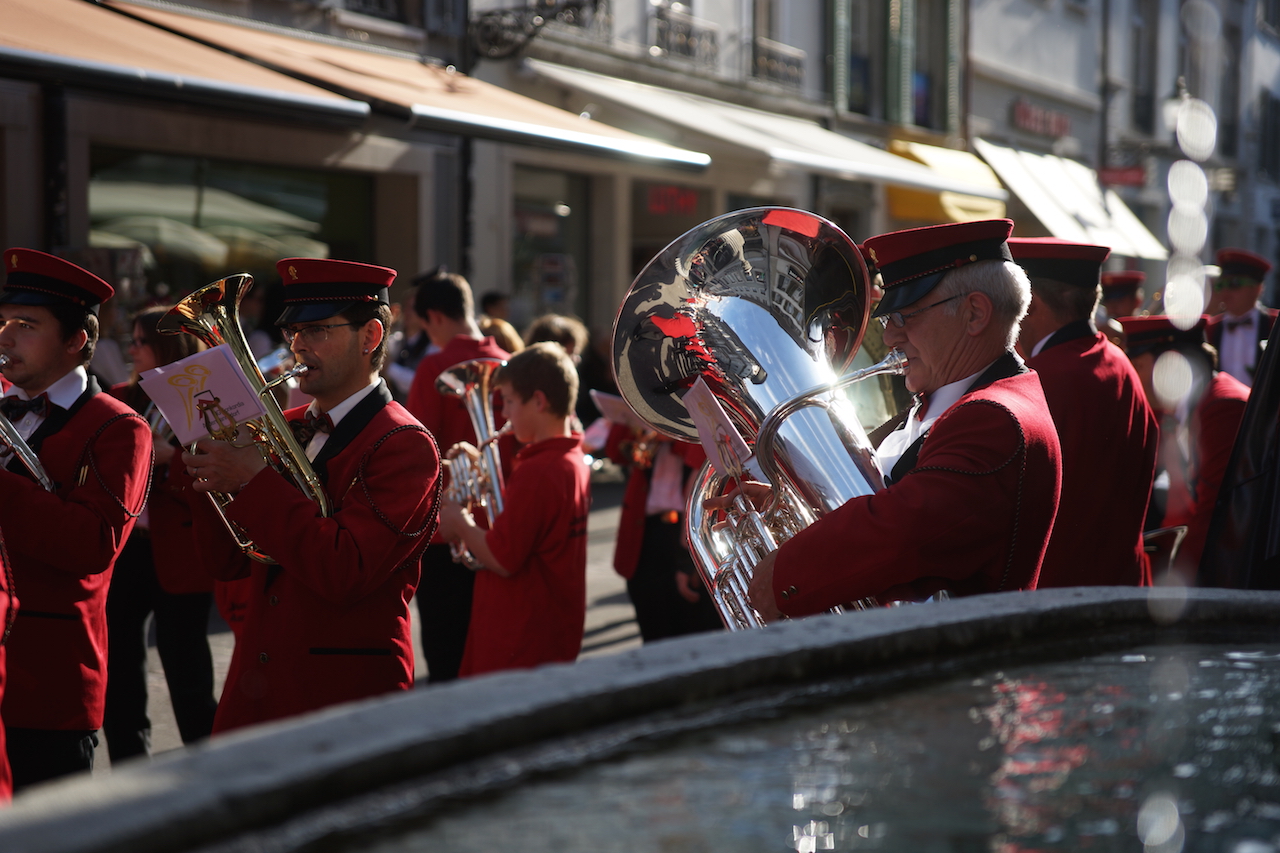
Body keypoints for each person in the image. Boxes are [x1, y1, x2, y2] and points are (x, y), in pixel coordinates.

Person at [739, 219, 1062, 620]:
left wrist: (788, 572)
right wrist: (788, 505)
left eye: (904, 316)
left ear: (975, 313)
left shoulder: (995, 417)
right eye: (887, 319)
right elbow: (884, 502)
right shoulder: (944, 403)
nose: (890, 337)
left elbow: (903, 532)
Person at [183, 257, 441, 733]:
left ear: (370, 337)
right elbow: (230, 564)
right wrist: (210, 473)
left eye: (317, 329)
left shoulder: (405, 443)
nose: (298, 344)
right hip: (256, 691)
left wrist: (252, 480)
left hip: (343, 699)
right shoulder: (293, 424)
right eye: (293, 331)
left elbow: (345, 570)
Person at [0, 248, 151, 788]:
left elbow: (92, 543)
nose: (5, 336)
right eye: (3, 321)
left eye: (26, 324)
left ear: (76, 341)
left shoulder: (118, 427)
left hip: (46, 686)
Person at [103, 305, 218, 762]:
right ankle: (129, 766)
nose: (130, 350)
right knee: (121, 668)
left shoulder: (201, 400)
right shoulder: (118, 398)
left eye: (139, 342)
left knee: (186, 667)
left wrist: (173, 464)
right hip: (128, 550)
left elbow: (218, 484)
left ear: (167, 347)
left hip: (180, 548)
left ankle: (206, 768)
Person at [1010, 238, 1158, 587]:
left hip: (1059, 603)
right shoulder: (1119, 361)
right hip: (1122, 591)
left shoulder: (1040, 380)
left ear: (1029, 305)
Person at [437, 342, 591, 676]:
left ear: (538, 400)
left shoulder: (540, 470)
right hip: (545, 630)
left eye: (507, 401)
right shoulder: (570, 459)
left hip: (519, 638)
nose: (503, 415)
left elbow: (503, 557)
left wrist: (459, 522)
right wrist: (483, 474)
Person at [404, 270, 512, 683]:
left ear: (434, 316)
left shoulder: (435, 365)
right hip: (500, 529)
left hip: (449, 534)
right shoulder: (509, 361)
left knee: (448, 660)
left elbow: (419, 452)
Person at [1118, 315, 1249, 582]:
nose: (1133, 378)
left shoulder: (1223, 407)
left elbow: (1211, 514)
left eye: (1138, 366)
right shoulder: (1181, 405)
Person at [605, 427, 722, 641]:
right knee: (653, 625)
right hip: (647, 530)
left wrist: (671, 432)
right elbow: (615, 451)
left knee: (695, 630)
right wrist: (629, 421)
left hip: (687, 530)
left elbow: (704, 450)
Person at [1205, 249, 1276, 387]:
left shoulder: (1275, 325)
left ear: (1258, 288)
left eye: (1234, 284)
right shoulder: (1209, 329)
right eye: (1221, 284)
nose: (1225, 292)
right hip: (1222, 407)